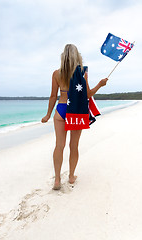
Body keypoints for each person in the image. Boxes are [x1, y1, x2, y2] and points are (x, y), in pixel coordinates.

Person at [41, 44, 108, 190]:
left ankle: (57, 180)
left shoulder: (56, 74)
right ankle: (71, 177)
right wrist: (100, 85)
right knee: (73, 145)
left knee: (59, 145)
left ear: (63, 57)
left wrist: (47, 115)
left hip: (61, 110)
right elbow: (88, 94)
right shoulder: (82, 73)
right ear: (77, 56)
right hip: (76, 111)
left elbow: (53, 96)